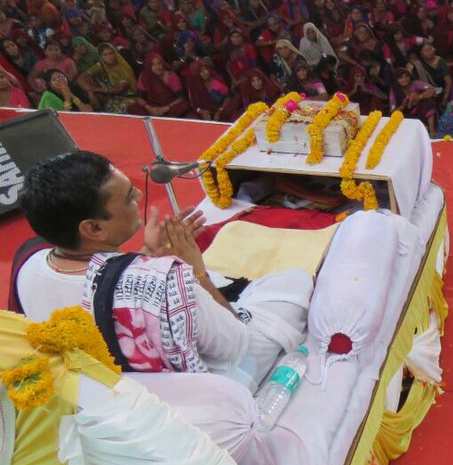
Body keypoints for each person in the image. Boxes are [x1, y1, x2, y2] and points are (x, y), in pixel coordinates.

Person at [16, 152, 312, 392]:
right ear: (94, 228)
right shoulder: (165, 281)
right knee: (292, 283)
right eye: (129, 197)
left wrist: (145, 257)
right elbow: (235, 343)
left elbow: (99, 294)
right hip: (186, 396)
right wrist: (196, 273)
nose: (138, 200)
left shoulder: (27, 262)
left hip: (104, 392)